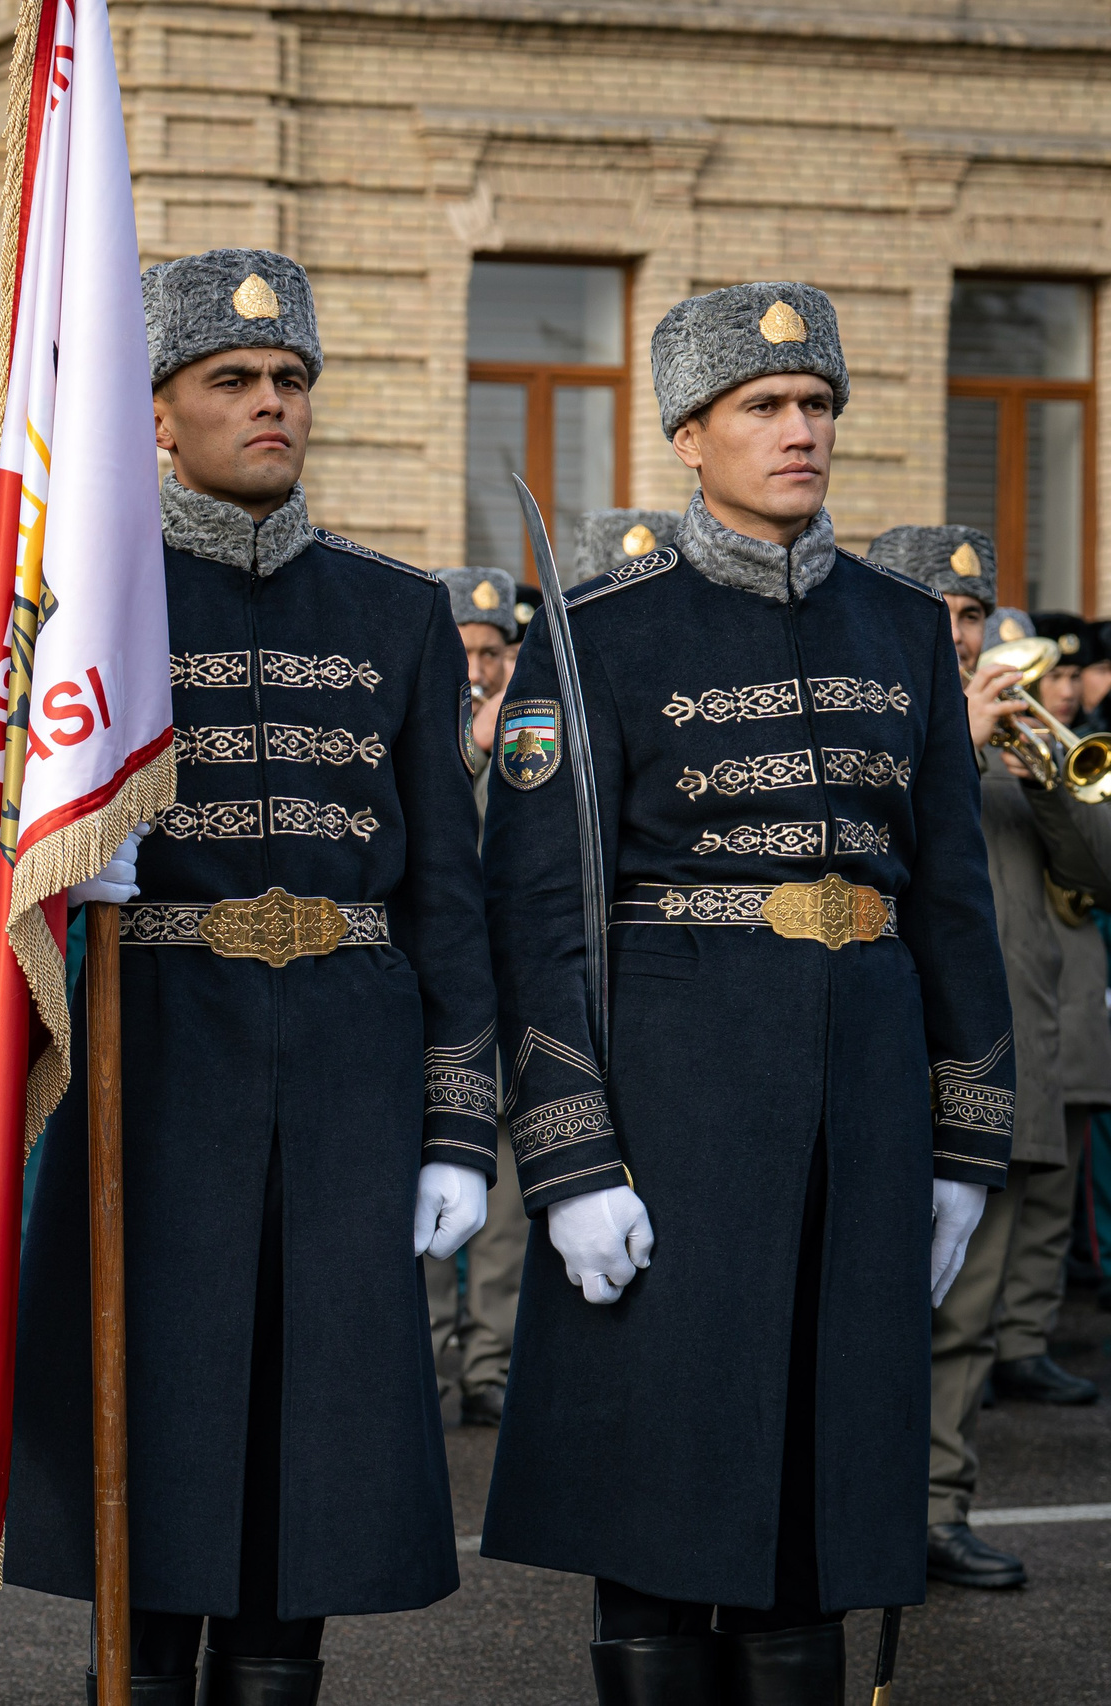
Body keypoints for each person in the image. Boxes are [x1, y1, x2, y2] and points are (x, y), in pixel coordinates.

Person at [482, 282, 1014, 1705]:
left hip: (862, 1105)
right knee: (657, 1504)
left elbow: (950, 892)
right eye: (764, 407)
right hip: (674, 1101)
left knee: (821, 1508)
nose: (800, 431)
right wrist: (571, 1151)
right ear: (688, 433)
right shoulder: (602, 625)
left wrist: (963, 1139)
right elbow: (540, 905)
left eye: (818, 404)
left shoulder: (902, 623)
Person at [6, 248, 496, 1706]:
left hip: (348, 1081)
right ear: (159, 410)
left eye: (289, 379)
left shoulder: (395, 609)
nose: (269, 402)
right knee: (152, 1491)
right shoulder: (88, 604)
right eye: (232, 379)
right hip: (154, 1078)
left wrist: (457, 1122)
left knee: (312, 1496)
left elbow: (446, 896)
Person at [869, 536, 1110, 1594]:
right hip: (884, 1058)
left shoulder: (1019, 740)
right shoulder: (867, 712)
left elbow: (1097, 872)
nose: (962, 634)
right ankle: (843, 1506)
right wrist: (952, 748)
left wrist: (1043, 778)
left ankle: (933, 1506)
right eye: (942, 609)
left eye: (973, 613)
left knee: (964, 1314)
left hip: (995, 1060)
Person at [426, 564, 519, 1427]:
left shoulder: (527, 730)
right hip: (432, 1003)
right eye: (466, 652)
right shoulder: (427, 724)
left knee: (507, 1209)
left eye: (494, 651)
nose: (480, 668)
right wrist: (473, 752)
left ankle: (490, 1365)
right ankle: (421, 1358)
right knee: (426, 1190)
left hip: (510, 995)